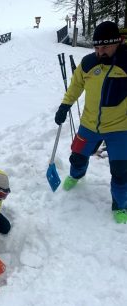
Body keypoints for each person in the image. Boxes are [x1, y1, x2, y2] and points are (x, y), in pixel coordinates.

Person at [54, 21, 127, 223]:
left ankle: (120, 205)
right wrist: (65, 106)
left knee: (121, 172)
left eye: (104, 47)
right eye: (96, 47)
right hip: (89, 125)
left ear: (118, 43)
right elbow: (76, 86)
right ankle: (77, 176)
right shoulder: (88, 63)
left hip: (120, 129)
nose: (99, 51)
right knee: (77, 157)